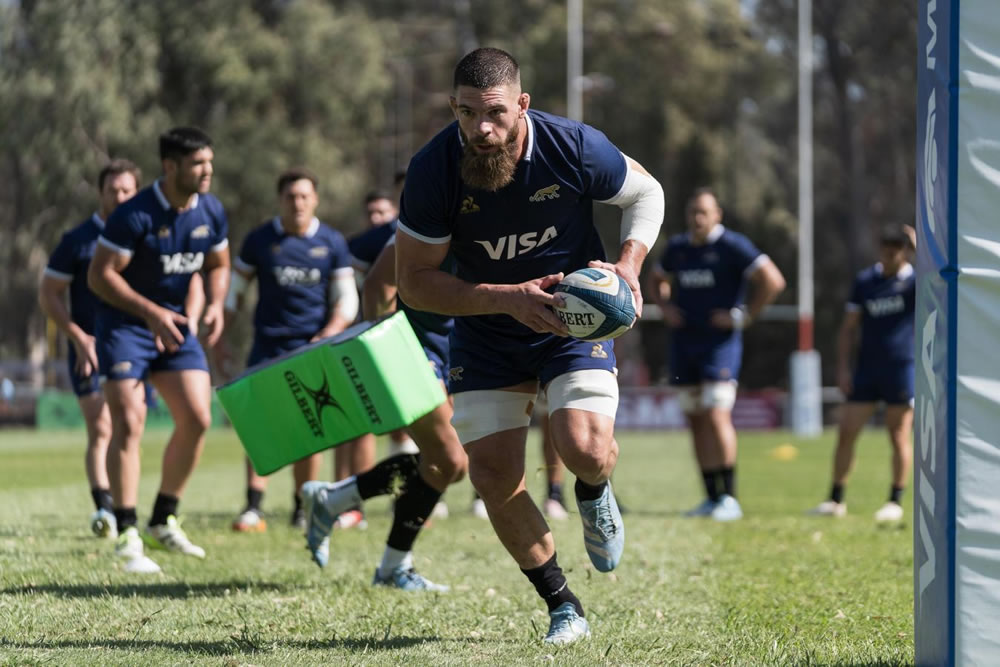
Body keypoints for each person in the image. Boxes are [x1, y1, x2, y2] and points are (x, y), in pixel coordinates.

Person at [390, 48, 664, 644]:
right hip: (488, 329)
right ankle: (563, 605)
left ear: (522, 105)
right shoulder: (434, 168)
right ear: (453, 108)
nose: (481, 129)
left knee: (585, 448)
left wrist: (628, 265)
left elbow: (647, 194)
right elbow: (413, 282)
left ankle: (593, 489)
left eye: (494, 113)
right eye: (467, 114)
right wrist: (505, 298)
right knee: (492, 474)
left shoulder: (573, 146)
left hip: (573, 321)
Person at [88, 127, 230, 574]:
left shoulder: (211, 209)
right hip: (126, 327)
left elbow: (218, 263)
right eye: (197, 163)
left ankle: (162, 519)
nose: (207, 170)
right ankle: (127, 531)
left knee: (198, 418)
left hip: (176, 327)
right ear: (170, 167)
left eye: (209, 161)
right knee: (129, 422)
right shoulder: (134, 215)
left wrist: (214, 304)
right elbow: (99, 276)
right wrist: (150, 313)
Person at [300, 229, 467, 590]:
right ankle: (391, 566)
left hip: (455, 351)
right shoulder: (438, 216)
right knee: (448, 459)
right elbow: (377, 284)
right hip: (416, 350)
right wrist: (386, 355)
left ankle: (333, 500)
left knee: (449, 466)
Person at [218, 167, 358, 533]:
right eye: (290, 197)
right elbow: (234, 294)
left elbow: (347, 300)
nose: (297, 203)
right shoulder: (260, 240)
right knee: (259, 427)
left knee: (310, 430)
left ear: (315, 200)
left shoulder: (332, 242)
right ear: (280, 200)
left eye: (304, 196)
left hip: (311, 350)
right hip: (267, 347)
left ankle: (302, 506)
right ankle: (253, 506)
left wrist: (329, 333)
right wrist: (219, 337)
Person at [646, 188, 786, 522]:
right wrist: (665, 307)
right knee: (695, 419)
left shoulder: (732, 246)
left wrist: (744, 316)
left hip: (719, 346)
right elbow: (655, 279)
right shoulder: (678, 248)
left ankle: (730, 498)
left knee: (716, 414)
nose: (697, 218)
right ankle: (711, 497)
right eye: (692, 212)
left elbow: (773, 280)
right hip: (684, 344)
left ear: (717, 215)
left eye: (703, 212)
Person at [39, 159, 142, 539]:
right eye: (113, 190)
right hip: (89, 348)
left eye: (127, 190)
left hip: (132, 346)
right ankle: (105, 508)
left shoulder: (143, 236)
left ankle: (126, 503)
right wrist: (78, 337)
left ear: (137, 193)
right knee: (101, 426)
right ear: (100, 193)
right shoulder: (78, 240)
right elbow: (49, 294)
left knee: (129, 425)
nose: (120, 197)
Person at [809, 224, 916, 522]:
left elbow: (939, 284)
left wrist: (918, 247)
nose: (890, 252)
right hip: (867, 369)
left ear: (906, 250)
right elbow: (848, 328)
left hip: (901, 368)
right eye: (886, 246)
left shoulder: (915, 282)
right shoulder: (866, 281)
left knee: (898, 434)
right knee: (846, 432)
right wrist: (843, 368)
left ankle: (894, 501)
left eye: (897, 247)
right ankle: (835, 500)